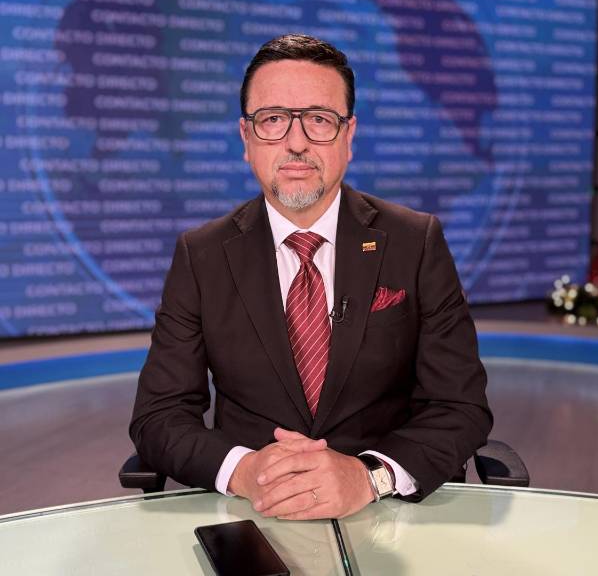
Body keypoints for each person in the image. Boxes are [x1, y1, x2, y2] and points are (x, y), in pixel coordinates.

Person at [130, 33, 492, 520]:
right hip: (253, 512)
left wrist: (369, 476)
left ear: (348, 136)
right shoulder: (202, 255)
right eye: (273, 120)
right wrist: (245, 470)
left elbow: (460, 406)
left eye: (319, 119)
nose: (296, 142)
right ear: (246, 138)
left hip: (385, 512)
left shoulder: (415, 242)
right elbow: (159, 416)